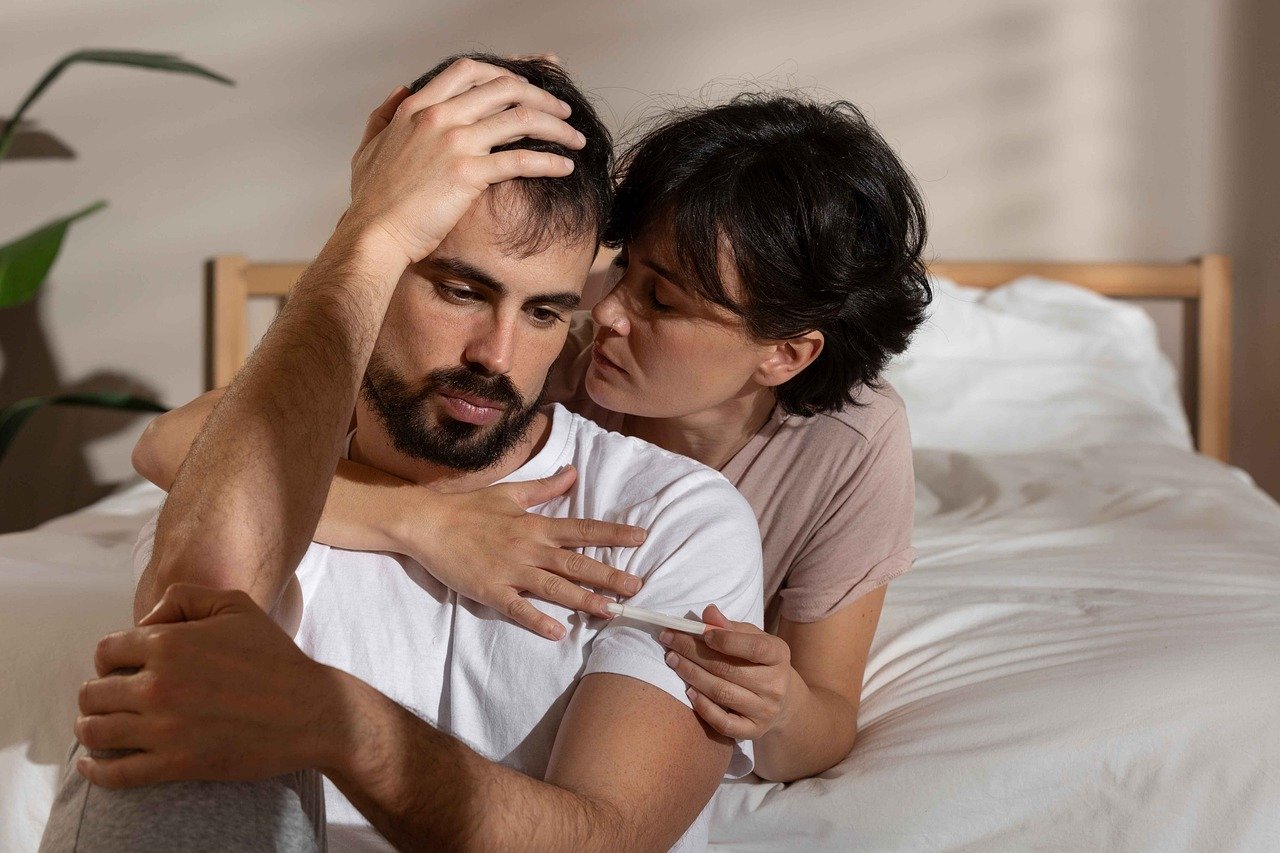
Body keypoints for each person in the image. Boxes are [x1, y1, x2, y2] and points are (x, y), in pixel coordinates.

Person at [39, 54, 764, 853]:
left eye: (545, 312)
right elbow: (183, 644)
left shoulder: (670, 516)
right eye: (460, 290)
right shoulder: (255, 476)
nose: (497, 354)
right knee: (177, 715)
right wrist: (370, 233)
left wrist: (332, 718)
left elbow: (608, 839)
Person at [134, 78, 933, 784]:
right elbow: (174, 445)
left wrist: (777, 705)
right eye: (623, 271)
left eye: (661, 301)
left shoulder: (849, 446)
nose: (607, 311)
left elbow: (826, 722)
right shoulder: (538, 336)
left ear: (785, 355)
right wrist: (422, 521)